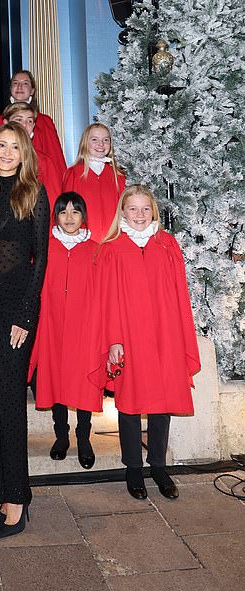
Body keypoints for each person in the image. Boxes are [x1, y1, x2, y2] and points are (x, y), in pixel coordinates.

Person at [89, 185, 201, 500]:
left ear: (153, 211)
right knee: (129, 402)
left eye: (145, 209)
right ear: (123, 212)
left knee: (162, 400)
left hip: (164, 334)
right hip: (128, 336)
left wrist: (179, 336)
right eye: (133, 209)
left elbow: (180, 294)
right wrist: (113, 340)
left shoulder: (167, 245)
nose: (140, 215)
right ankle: (134, 469)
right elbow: (105, 300)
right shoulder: (111, 249)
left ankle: (159, 467)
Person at [0, 123, 49, 540]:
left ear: (24, 154)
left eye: (14, 147)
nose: (6, 153)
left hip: (15, 310)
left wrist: (25, 316)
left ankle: (17, 499)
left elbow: (40, 263)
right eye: (0, 145)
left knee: (10, 402)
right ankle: (0, 488)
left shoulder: (35, 195)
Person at [29, 192, 101, 468]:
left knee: (83, 381)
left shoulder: (95, 249)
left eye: (75, 212)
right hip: (53, 325)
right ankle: (61, 436)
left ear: (83, 216)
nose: (69, 218)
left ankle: (84, 437)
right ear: (55, 217)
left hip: (85, 328)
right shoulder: (45, 248)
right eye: (63, 212)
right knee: (56, 379)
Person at [0, 69, 65, 183]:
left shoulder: (44, 121)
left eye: (25, 83)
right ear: (10, 89)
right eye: (15, 83)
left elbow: (55, 159)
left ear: (32, 91)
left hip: (36, 180)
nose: (19, 87)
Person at [0, 102, 62, 209]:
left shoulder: (44, 161)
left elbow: (53, 202)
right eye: (18, 120)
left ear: (33, 126)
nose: (24, 125)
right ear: (6, 123)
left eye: (29, 121)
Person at [62, 123, 126, 243]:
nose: (101, 144)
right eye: (94, 139)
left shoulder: (118, 176)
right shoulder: (74, 173)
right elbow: (68, 209)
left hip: (112, 240)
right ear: (85, 143)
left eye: (105, 140)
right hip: (84, 240)